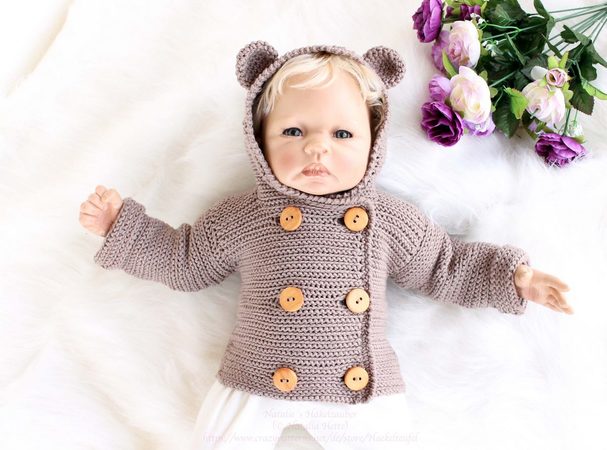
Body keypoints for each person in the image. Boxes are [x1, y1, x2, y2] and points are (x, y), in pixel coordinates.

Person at [78, 41, 573, 450]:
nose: (317, 147)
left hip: (362, 389)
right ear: (259, 139)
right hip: (255, 381)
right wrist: (124, 227)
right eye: (294, 131)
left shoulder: (387, 219)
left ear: (373, 140)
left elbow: (443, 266)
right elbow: (186, 260)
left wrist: (515, 279)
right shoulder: (245, 216)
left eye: (342, 133)